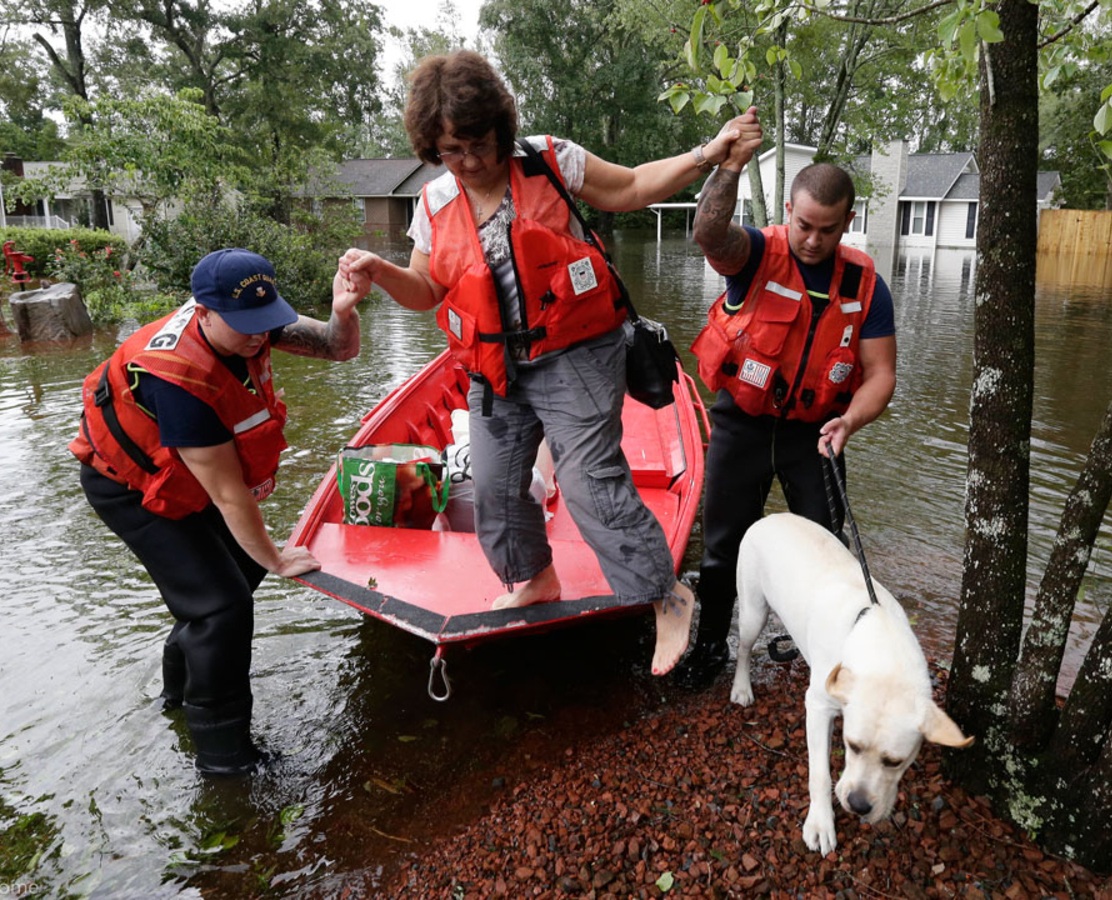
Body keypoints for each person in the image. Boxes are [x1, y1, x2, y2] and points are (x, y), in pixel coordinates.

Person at [334, 50, 761, 675]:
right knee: (495, 488)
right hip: (494, 368)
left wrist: (709, 153)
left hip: (577, 353)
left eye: (479, 143)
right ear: (432, 148)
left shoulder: (548, 159)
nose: (470, 161)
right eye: (452, 150)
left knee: (588, 482)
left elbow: (632, 187)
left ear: (499, 127)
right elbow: (427, 290)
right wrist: (381, 271)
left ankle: (665, 594)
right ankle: (534, 577)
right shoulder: (434, 203)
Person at [70, 248, 361, 776]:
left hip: (185, 477)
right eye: (246, 325)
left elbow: (338, 349)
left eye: (267, 320)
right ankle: (225, 760)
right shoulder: (178, 381)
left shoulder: (251, 318)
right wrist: (278, 558)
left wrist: (343, 311)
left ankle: (176, 697)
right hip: (130, 487)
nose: (260, 335)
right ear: (202, 312)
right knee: (222, 606)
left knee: (237, 571)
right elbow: (229, 494)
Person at [682, 157, 898, 687]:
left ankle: (826, 651)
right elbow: (708, 233)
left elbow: (880, 374)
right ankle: (710, 645)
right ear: (787, 211)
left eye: (828, 229)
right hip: (743, 423)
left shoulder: (867, 286)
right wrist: (730, 165)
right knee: (723, 545)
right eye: (803, 225)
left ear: (848, 222)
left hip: (817, 433)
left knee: (827, 551)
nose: (813, 240)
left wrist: (849, 421)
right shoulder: (755, 255)